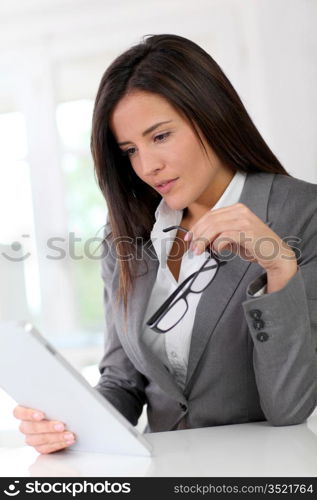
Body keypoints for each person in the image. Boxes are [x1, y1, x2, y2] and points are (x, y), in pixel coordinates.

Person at [14, 34, 317, 454]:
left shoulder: (303, 212)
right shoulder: (124, 232)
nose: (146, 166)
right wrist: (69, 426)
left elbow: (290, 407)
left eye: (160, 137)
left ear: (211, 115)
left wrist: (280, 268)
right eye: (130, 150)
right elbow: (123, 381)